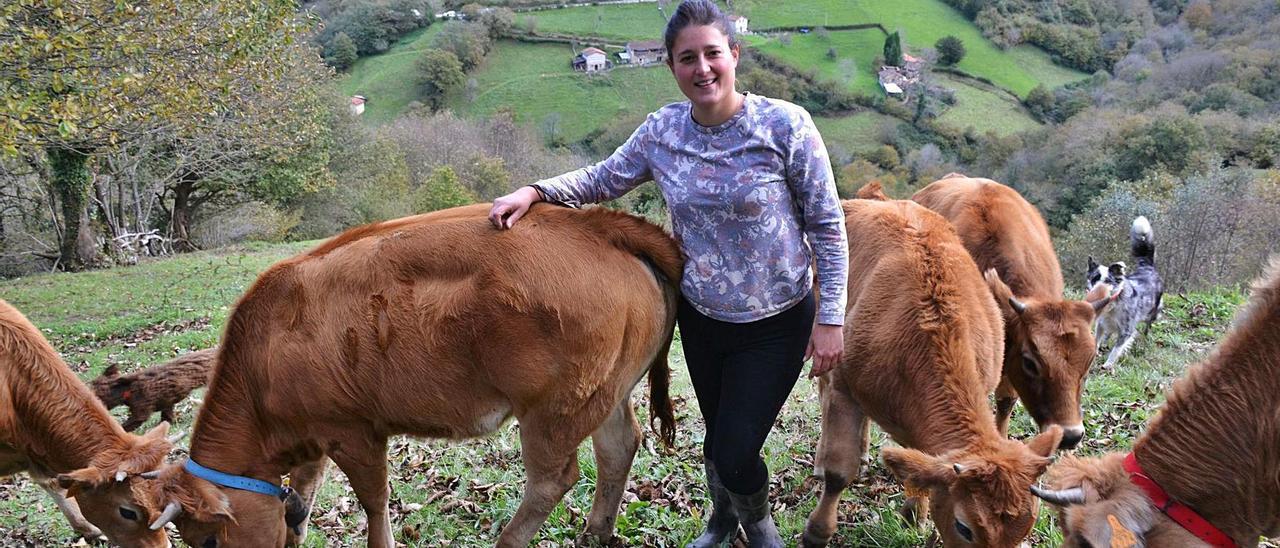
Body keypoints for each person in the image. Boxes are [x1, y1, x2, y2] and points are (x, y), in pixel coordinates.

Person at [487, 1, 848, 545]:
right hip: (701, 317)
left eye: (712, 54)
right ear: (671, 66)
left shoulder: (786, 126)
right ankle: (721, 518)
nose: (702, 68)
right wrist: (536, 190)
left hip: (777, 319)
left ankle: (756, 521)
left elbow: (827, 223)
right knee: (716, 440)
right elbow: (604, 179)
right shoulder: (664, 132)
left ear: (734, 56)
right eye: (687, 58)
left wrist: (831, 318)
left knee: (734, 446)